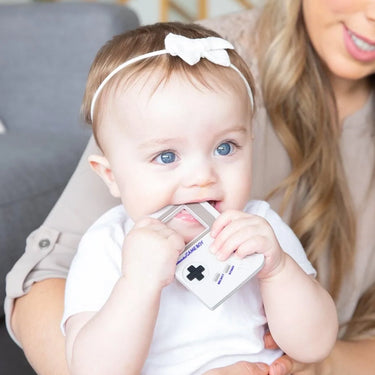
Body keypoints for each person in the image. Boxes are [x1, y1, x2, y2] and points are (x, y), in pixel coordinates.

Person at [5, 0, 375, 374]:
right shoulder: (108, 245)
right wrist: (138, 285)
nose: (203, 177)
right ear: (110, 176)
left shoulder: (258, 227)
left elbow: (314, 346)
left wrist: (279, 271)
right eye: (167, 157)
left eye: (225, 148)